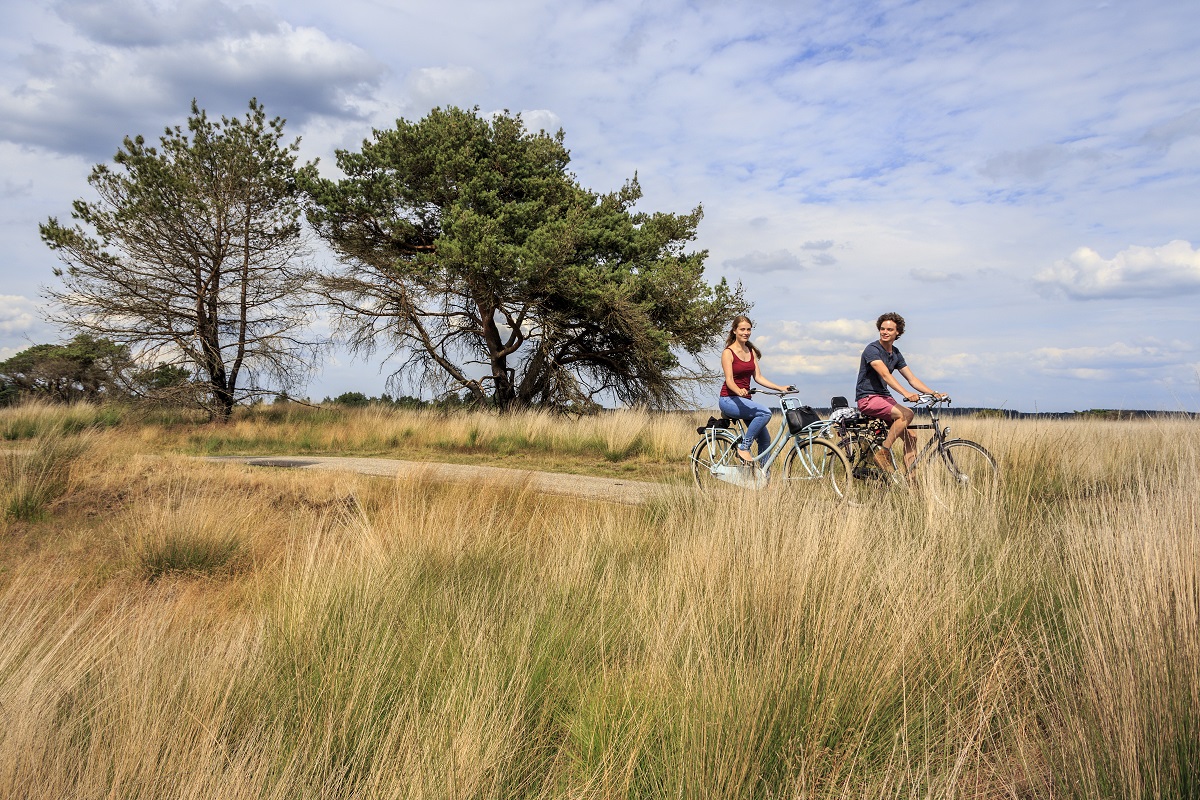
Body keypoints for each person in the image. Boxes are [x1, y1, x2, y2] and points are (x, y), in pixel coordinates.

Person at [855, 312, 944, 473]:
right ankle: (884, 451)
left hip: (884, 398)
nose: (885, 332)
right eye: (882, 329)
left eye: (889, 329)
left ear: (898, 333)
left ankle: (911, 480)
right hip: (868, 398)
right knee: (907, 414)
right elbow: (885, 374)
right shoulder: (872, 349)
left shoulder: (895, 353)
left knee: (911, 438)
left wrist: (933, 393)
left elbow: (912, 378)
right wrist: (905, 393)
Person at [718, 315, 794, 464]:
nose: (746, 332)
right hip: (729, 399)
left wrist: (780, 388)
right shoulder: (728, 353)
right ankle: (744, 447)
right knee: (765, 412)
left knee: (765, 440)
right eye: (742, 329)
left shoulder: (750, 351)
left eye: (748, 329)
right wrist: (738, 390)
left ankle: (763, 479)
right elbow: (729, 380)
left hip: (745, 401)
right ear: (734, 331)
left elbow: (758, 377)